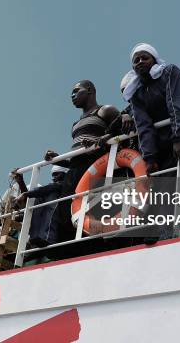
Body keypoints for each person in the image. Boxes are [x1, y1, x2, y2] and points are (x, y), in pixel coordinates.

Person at [123, 43, 180, 240]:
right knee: (159, 186)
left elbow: (176, 102)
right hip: (160, 144)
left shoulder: (169, 72)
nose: (140, 62)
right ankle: (160, 230)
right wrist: (149, 157)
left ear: (154, 59)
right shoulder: (135, 91)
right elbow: (143, 125)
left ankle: (177, 228)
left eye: (145, 57)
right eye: (136, 60)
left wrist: (178, 137)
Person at [45, 80, 121, 246]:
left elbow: (123, 131)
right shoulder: (75, 125)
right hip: (75, 171)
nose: (72, 96)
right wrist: (57, 159)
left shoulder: (105, 111)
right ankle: (67, 248)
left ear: (89, 90)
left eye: (76, 91)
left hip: (97, 166)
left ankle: (95, 246)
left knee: (94, 209)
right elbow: (75, 161)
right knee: (66, 211)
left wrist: (99, 145)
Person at [12, 165, 69, 247]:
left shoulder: (65, 185)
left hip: (63, 217)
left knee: (50, 194)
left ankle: (48, 238)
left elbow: (49, 188)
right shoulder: (51, 188)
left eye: (56, 174)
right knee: (39, 198)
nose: (53, 178)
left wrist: (26, 194)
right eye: (52, 175)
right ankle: (36, 238)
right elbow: (31, 201)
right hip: (38, 231)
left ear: (65, 174)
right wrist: (21, 182)